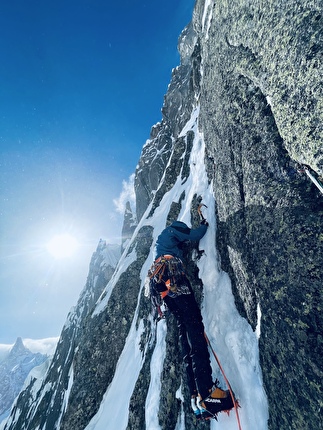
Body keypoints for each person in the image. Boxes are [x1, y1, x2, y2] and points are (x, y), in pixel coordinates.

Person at [149, 218, 234, 420]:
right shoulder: (172, 231)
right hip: (173, 277)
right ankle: (208, 393)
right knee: (195, 329)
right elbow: (194, 235)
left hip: (163, 289)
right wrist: (204, 225)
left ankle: (196, 398)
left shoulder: (161, 245)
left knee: (185, 333)